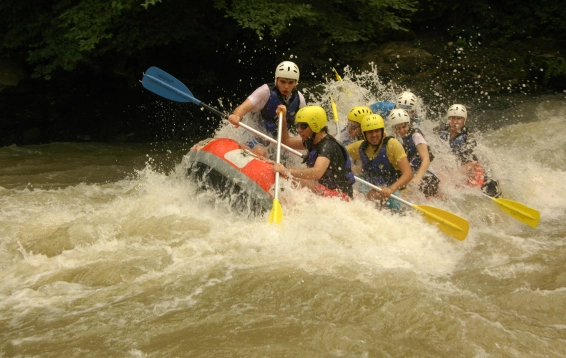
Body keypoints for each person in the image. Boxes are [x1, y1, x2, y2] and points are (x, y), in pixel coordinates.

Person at [272, 105, 355, 200]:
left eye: (303, 126)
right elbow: (286, 141)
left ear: (315, 125)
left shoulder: (327, 146)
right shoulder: (312, 140)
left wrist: (286, 171)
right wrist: (283, 121)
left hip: (340, 196)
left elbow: (317, 172)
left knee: (290, 178)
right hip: (326, 191)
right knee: (291, 178)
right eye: (298, 125)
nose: (299, 129)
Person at [228, 61, 306, 157]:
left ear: (296, 83)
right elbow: (243, 108)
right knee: (261, 153)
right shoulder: (265, 91)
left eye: (291, 82)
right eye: (283, 81)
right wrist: (237, 116)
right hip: (255, 133)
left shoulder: (300, 99)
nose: (286, 86)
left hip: (277, 140)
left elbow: (305, 126)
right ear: (276, 80)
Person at [346, 114, 413, 209]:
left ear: (382, 131)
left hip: (395, 192)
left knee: (376, 199)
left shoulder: (392, 145)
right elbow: (339, 151)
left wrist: (390, 189)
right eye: (370, 132)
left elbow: (408, 174)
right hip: (370, 188)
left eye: (377, 131)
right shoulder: (361, 146)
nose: (374, 135)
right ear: (364, 134)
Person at [435, 104, 502, 198]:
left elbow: (471, 162)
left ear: (464, 120)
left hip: (471, 167)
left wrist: (455, 176)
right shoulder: (439, 130)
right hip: (453, 166)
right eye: (452, 118)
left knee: (489, 183)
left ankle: (496, 194)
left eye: (459, 119)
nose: (455, 122)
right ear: (448, 119)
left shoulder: (468, 137)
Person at [388, 109, 440, 196]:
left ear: (408, 124)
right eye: (398, 128)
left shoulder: (416, 136)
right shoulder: (392, 140)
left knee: (424, 188)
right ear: (393, 128)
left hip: (425, 174)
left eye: (404, 127)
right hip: (407, 175)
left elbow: (426, 160)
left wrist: (417, 179)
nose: (401, 131)